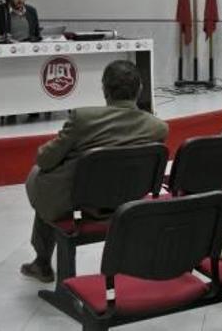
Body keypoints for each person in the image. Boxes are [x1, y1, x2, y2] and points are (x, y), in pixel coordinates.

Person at [21, 60, 168, 283]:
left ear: (104, 90)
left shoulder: (83, 119)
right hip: (127, 198)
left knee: (40, 176)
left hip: (82, 205)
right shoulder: (158, 128)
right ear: (139, 90)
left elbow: (45, 158)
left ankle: (42, 261)